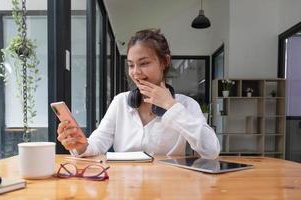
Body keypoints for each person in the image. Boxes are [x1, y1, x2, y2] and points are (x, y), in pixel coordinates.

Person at [57, 28, 220, 159]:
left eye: (144, 63)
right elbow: (97, 143)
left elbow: (211, 150)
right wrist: (79, 144)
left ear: (164, 62)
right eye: (131, 65)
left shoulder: (186, 105)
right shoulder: (120, 102)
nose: (136, 72)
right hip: (125, 187)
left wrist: (170, 106)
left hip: (169, 188)